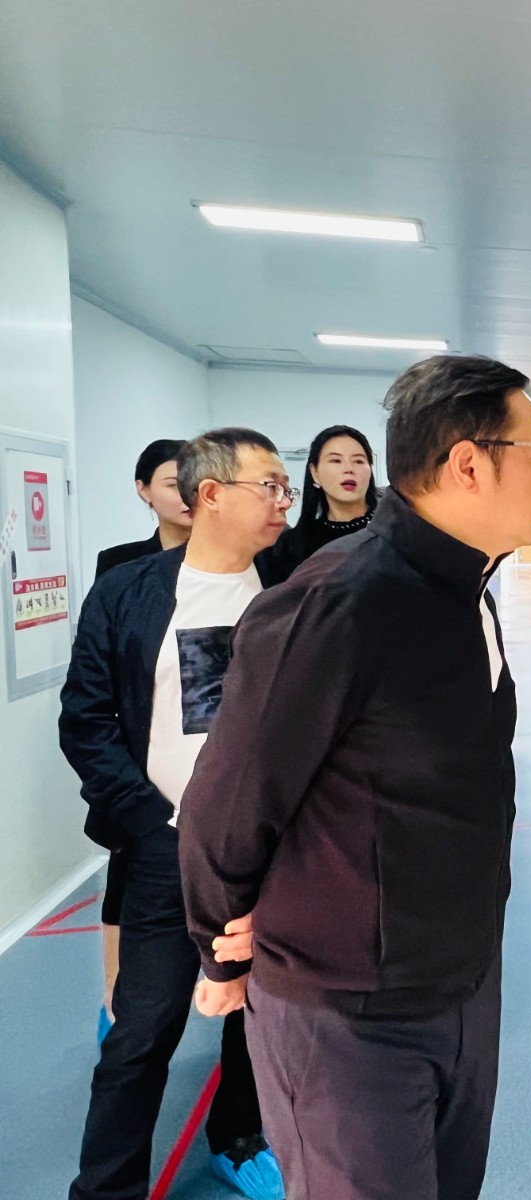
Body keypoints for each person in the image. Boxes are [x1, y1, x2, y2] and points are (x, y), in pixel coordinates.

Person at [179, 356, 531, 1200]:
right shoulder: (340, 600)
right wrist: (219, 945)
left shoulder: (470, 590)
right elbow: (228, 800)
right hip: (347, 1010)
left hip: (461, 979)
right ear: (469, 464)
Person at [59, 428, 293, 1200]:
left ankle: (239, 1138)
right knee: (141, 1032)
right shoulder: (128, 592)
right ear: (212, 495)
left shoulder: (296, 588)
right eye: (268, 485)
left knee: (262, 1019)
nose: (283, 501)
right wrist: (150, 822)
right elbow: (85, 721)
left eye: (285, 486)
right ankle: (106, 1187)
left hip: (276, 850)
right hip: (166, 847)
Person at [92, 438, 192, 1043]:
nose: (185, 493)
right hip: (138, 768)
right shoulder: (121, 568)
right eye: (172, 482)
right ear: (143, 490)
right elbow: (104, 675)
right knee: (126, 882)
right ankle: (113, 998)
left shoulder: (248, 568)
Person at [271, 424, 381, 570]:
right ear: (315, 473)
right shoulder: (292, 544)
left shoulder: (391, 528)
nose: (349, 469)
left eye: (359, 461)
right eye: (336, 461)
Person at [95, 438, 192, 577]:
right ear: (143, 490)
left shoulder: (224, 558)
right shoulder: (118, 561)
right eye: (174, 485)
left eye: (197, 483)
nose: (189, 495)